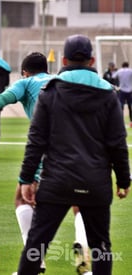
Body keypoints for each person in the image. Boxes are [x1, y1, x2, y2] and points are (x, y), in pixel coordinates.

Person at [0, 52, 93, 274]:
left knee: (21, 198)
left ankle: (35, 262)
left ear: (24, 72)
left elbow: (3, 98)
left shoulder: (26, 82)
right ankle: (83, 244)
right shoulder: (58, 81)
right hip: (78, 147)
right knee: (78, 201)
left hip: (49, 148)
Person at [16, 34, 130, 275]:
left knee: (36, 245)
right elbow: (118, 143)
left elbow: (36, 140)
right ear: (92, 60)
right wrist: (123, 180)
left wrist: (27, 179)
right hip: (96, 183)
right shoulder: (109, 95)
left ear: (64, 60)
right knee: (101, 248)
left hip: (57, 181)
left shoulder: (51, 91)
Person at [112, 61, 132, 127]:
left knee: (121, 106)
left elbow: (113, 76)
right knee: (130, 106)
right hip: (129, 90)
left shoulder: (120, 71)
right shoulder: (130, 71)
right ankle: (131, 121)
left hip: (122, 90)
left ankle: (121, 120)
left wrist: (115, 71)